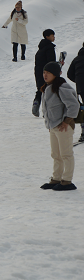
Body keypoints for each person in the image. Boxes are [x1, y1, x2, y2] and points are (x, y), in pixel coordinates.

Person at [38, 62, 78, 191]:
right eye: (44, 72)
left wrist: (66, 121)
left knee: (66, 154)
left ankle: (67, 180)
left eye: (48, 72)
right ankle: (56, 178)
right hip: (54, 126)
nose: (45, 75)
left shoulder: (61, 87)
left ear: (55, 74)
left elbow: (74, 105)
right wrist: (50, 124)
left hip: (64, 126)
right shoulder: (48, 87)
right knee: (56, 154)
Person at [34, 29, 62, 117]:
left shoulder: (41, 48)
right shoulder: (49, 48)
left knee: (41, 88)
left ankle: (36, 102)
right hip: (48, 72)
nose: (54, 37)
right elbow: (51, 62)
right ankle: (45, 111)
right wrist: (58, 66)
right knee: (48, 90)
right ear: (47, 37)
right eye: (52, 35)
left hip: (38, 71)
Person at [66, 42, 84, 143]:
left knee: (82, 109)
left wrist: (78, 81)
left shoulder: (77, 59)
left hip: (80, 88)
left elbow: (69, 74)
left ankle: (83, 133)